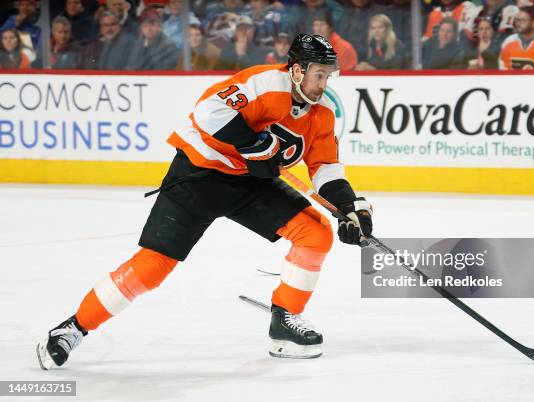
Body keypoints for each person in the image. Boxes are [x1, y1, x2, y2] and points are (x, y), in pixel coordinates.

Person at [36, 33, 373, 369]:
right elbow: (208, 110)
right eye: (320, 74)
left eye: (329, 75)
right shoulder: (266, 83)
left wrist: (349, 207)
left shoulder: (323, 113)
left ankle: (285, 320)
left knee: (315, 233)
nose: (325, 82)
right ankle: (74, 327)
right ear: (297, 70)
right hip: (199, 176)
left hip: (250, 184)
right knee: (152, 268)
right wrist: (254, 145)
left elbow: (326, 167)